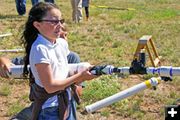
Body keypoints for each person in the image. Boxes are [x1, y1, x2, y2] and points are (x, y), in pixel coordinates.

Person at [21, 2, 96, 120]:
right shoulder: (40, 49)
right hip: (50, 109)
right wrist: (79, 77)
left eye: (61, 21)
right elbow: (50, 87)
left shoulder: (61, 43)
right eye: (54, 22)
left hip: (66, 101)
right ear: (37, 25)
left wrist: (80, 68)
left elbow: (62, 68)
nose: (60, 25)